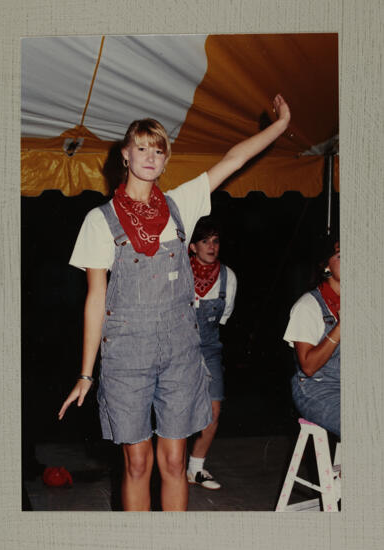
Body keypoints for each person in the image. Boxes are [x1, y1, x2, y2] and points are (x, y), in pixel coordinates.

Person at [58, 94, 291, 511]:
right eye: (142, 147)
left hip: (181, 352)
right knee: (136, 463)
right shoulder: (100, 220)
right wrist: (86, 374)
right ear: (126, 156)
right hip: (126, 356)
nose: (151, 155)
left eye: (159, 149)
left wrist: (279, 125)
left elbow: (234, 160)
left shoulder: (180, 204)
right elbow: (95, 301)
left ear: (167, 160)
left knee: (174, 460)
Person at [186, 217, 237, 490]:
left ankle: (196, 468)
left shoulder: (229, 278)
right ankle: (169, 469)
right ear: (192, 247)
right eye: (205, 241)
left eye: (215, 241)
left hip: (209, 348)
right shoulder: (179, 271)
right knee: (177, 411)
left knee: (214, 409)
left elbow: (222, 318)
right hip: (178, 348)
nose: (211, 246)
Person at [283, 236, 340, 438]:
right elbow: (308, 366)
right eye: (341, 256)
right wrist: (341, 327)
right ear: (326, 266)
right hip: (318, 390)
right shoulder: (308, 306)